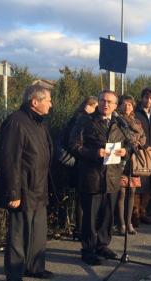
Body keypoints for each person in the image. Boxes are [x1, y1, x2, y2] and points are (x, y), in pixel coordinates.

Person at [0, 83, 54, 280]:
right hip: (23, 189)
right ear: (34, 102)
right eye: (47, 100)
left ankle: (35, 267)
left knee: (38, 233)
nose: (51, 104)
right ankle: (14, 273)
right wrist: (13, 193)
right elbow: (9, 159)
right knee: (18, 235)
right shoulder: (16, 122)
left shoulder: (40, 123)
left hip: (39, 187)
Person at [69, 90, 128, 265]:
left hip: (112, 177)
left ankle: (102, 245)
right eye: (103, 100)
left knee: (107, 216)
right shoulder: (85, 121)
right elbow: (73, 145)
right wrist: (95, 153)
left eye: (110, 102)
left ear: (116, 106)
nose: (106, 104)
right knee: (90, 217)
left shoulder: (119, 123)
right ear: (99, 102)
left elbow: (129, 145)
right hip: (92, 177)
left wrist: (126, 152)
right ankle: (87, 249)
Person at [62, 96, 98, 240]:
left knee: (80, 198)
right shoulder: (82, 120)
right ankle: (80, 230)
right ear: (87, 106)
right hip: (80, 163)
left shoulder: (77, 118)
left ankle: (79, 229)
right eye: (95, 107)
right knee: (82, 199)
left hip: (78, 162)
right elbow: (73, 143)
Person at [116, 95, 146, 235]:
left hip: (134, 159)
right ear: (120, 105)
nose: (127, 107)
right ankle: (121, 224)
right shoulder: (117, 120)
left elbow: (143, 137)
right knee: (121, 192)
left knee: (132, 192)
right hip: (122, 159)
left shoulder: (137, 122)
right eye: (125, 104)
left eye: (130, 104)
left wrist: (138, 143)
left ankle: (129, 223)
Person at [134, 88, 151, 225]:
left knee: (149, 185)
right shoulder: (135, 114)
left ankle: (144, 212)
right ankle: (135, 215)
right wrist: (144, 147)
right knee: (139, 185)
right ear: (142, 98)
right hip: (140, 154)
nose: (148, 100)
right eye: (146, 97)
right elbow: (135, 135)